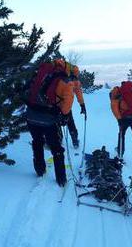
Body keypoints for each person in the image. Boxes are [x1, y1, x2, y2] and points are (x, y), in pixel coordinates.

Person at [26, 59, 74, 187]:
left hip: (31, 114)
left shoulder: (41, 72)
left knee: (37, 141)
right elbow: (67, 104)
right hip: (48, 118)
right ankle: (61, 178)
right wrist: (64, 116)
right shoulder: (66, 81)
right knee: (56, 148)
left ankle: (40, 169)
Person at [110, 81, 132, 159]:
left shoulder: (119, 91)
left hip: (125, 117)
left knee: (122, 134)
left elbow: (114, 106)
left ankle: (120, 154)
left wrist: (119, 119)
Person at [66, 64, 87, 148]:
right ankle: (75, 141)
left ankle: (57, 139)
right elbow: (78, 93)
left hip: (54, 104)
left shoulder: (59, 77)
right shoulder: (75, 81)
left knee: (55, 122)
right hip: (66, 106)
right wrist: (82, 105)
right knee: (70, 122)